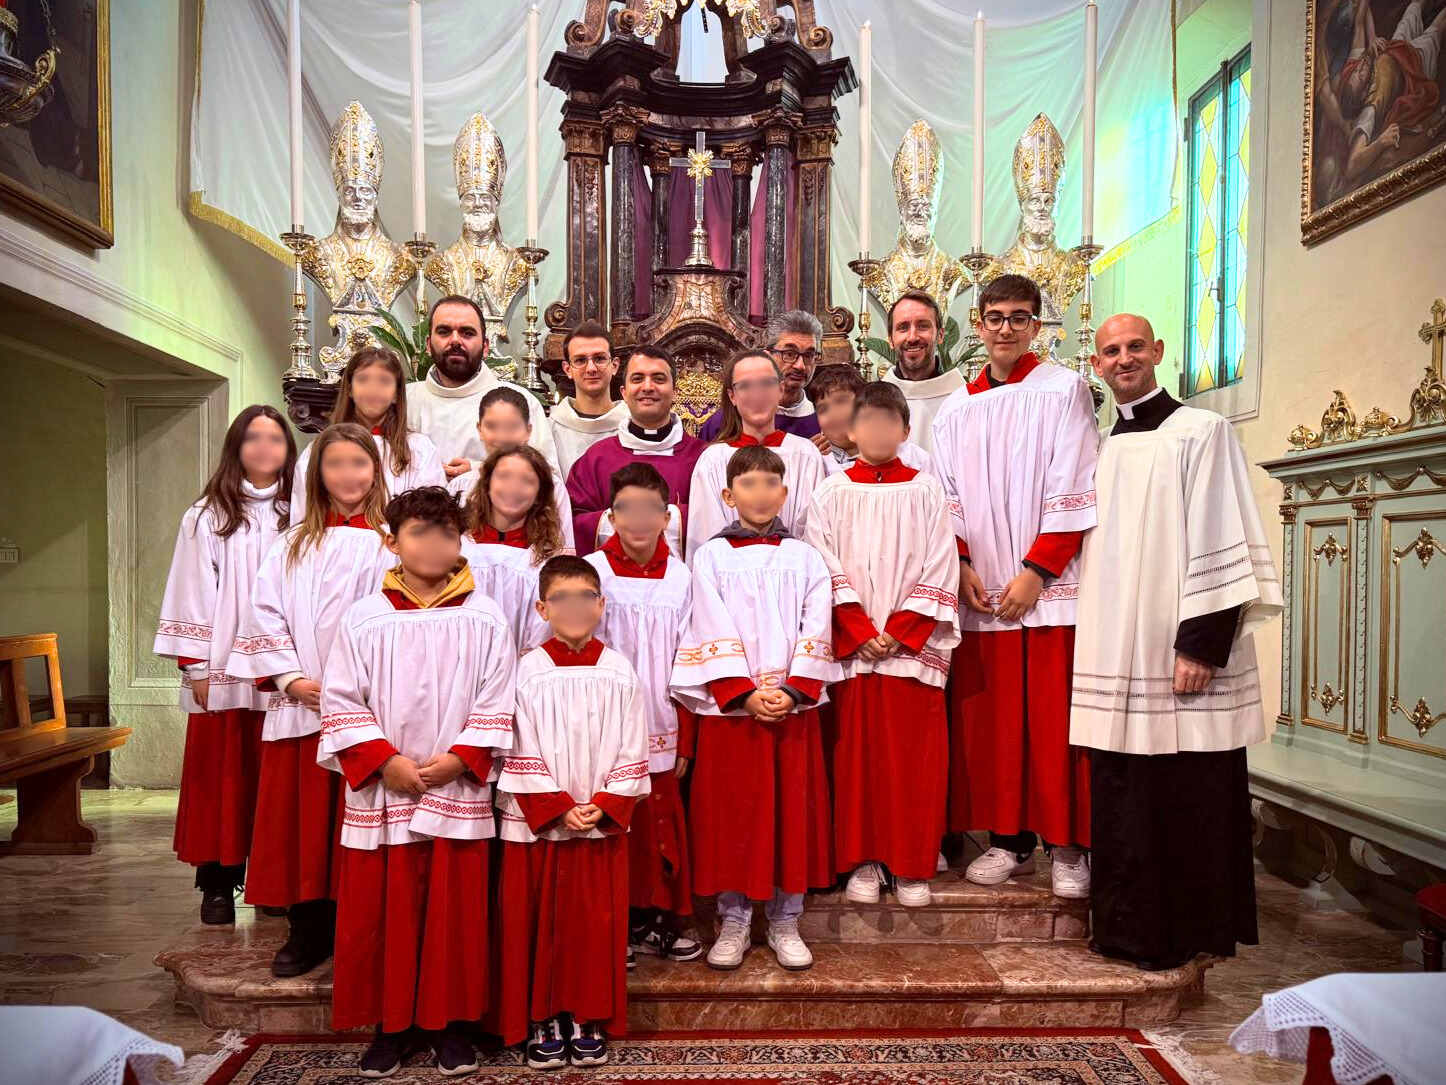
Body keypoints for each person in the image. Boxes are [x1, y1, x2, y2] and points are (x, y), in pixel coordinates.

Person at [1073, 314, 1282, 970]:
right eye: (1111, 351)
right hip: (1117, 649)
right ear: (1097, 365)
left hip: (1175, 650)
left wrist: (1200, 644)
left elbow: (1223, 532)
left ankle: (1181, 932)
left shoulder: (1201, 431)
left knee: (1185, 791)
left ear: (1158, 351)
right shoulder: (1099, 447)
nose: (1124, 358)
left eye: (1135, 346)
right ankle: (1123, 930)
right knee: (1124, 791)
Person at [320, 487, 518, 1076]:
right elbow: (340, 699)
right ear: (392, 541)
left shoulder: (485, 616)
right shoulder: (365, 617)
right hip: (387, 788)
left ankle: (449, 1024)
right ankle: (392, 1025)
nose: (433, 545)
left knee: (455, 914)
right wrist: (385, 761)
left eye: (445, 534)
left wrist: (461, 757)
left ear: (461, 542)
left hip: (457, 785)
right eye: (419, 533)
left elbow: (499, 696)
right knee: (387, 913)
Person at [932, 273, 1097, 897]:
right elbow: (946, 495)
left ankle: (1069, 846)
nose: (1006, 328)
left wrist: (1037, 570)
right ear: (978, 324)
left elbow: (1074, 480)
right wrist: (961, 565)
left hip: (1047, 587)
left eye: (1019, 317)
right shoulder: (956, 407)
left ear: (1036, 324)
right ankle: (1009, 842)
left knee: (1054, 724)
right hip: (983, 590)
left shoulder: (1063, 389)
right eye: (995, 317)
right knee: (996, 727)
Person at [227, 423, 393, 977]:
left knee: (361, 821)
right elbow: (263, 613)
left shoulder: (395, 543)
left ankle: (362, 928)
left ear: (376, 471)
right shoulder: (292, 543)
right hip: (302, 706)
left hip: (371, 709)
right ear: (317, 474)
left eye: (358, 463)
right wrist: (291, 679)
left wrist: (363, 689)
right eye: (334, 464)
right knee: (303, 824)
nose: (347, 475)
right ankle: (307, 927)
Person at [671, 446, 842, 973]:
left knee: (791, 813)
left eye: (771, 484)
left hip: (792, 708)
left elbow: (818, 620)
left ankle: (787, 919)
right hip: (733, 713)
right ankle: (735, 919)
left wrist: (794, 690)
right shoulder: (710, 557)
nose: (761, 493)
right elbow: (708, 622)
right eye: (749, 484)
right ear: (729, 495)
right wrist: (743, 692)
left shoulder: (805, 556)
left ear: (785, 493)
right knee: (733, 815)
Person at [804, 382, 959, 908]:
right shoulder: (830, 492)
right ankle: (864, 860)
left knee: (913, 760)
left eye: (887, 421)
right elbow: (821, 562)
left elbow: (941, 562)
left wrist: (902, 629)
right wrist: (857, 628)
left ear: (905, 430)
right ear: (851, 430)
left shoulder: (926, 490)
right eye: (866, 421)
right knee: (856, 760)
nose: (876, 431)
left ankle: (911, 863)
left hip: (909, 650)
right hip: (856, 650)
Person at [495, 555, 650, 1070]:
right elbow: (517, 743)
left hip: (598, 823)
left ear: (601, 605)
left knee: (592, 923)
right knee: (535, 920)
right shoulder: (526, 670)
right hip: (540, 824)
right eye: (562, 599)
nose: (575, 608)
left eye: (585, 598)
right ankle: (541, 1017)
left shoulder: (619, 669)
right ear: (543, 608)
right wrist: (558, 807)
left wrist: (603, 805)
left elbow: (633, 745)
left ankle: (586, 1015)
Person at [154, 406, 297, 925]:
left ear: (288, 450)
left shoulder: (300, 511)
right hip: (224, 664)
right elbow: (191, 588)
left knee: (277, 780)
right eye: (253, 438)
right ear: (236, 447)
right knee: (223, 778)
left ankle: (273, 882)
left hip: (284, 663)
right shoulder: (207, 515)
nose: (264, 448)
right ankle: (217, 882)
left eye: (275, 439)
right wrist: (195, 667)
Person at [583, 464, 702, 967]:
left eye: (651, 509)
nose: (639, 519)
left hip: (662, 719)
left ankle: (658, 920)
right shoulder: (591, 572)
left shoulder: (683, 577)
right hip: (603, 722)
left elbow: (693, 658)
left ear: (667, 517)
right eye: (627, 509)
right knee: (614, 820)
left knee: (659, 825)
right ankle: (619, 923)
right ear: (611, 517)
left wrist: (686, 737)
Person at [685, 349, 829, 557]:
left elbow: (812, 531)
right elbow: (705, 534)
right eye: (745, 386)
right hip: (730, 569)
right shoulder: (713, 460)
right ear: (732, 396)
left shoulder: (805, 453)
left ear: (780, 389)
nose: (757, 394)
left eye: (766, 383)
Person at [565, 345, 705, 557]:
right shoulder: (596, 458)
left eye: (658, 379)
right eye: (638, 379)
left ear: (675, 392)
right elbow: (570, 522)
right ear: (624, 392)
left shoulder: (702, 457)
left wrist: (672, 516)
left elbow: (717, 519)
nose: (647, 387)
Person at [406, 294, 559, 479]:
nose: (455, 340)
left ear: (486, 347)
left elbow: (549, 476)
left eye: (467, 333)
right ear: (428, 345)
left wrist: (479, 470)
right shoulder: (405, 399)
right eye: (444, 331)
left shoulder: (520, 401)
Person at [292, 346, 445, 510]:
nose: (373, 389)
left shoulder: (419, 449)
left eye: (384, 381)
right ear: (349, 389)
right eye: (363, 379)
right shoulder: (318, 450)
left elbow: (433, 513)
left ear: (396, 394)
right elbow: (304, 512)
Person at [460, 445, 565, 654]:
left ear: (540, 495)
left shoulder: (546, 563)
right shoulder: (458, 550)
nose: (513, 487)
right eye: (504, 476)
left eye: (526, 480)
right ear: (487, 484)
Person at [448, 386, 575, 551]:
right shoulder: (460, 487)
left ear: (528, 431)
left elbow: (563, 553)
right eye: (492, 426)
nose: (503, 437)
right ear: (479, 430)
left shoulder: (552, 487)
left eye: (513, 427)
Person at [697, 310, 824, 442]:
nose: (800, 366)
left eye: (809, 355)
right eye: (789, 354)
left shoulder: (825, 422)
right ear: (768, 358)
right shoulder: (724, 422)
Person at [806, 364, 934, 475]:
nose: (833, 413)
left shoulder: (912, 458)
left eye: (841, 401)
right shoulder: (817, 462)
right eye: (823, 408)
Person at [879, 290, 964, 456]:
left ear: (940, 335)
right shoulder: (874, 401)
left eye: (923, 326)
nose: (912, 337)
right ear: (890, 339)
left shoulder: (962, 399)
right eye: (903, 328)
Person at [550, 322, 627, 477]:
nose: (591, 368)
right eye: (580, 360)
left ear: (614, 365)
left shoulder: (632, 425)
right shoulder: (550, 430)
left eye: (599, 358)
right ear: (568, 369)